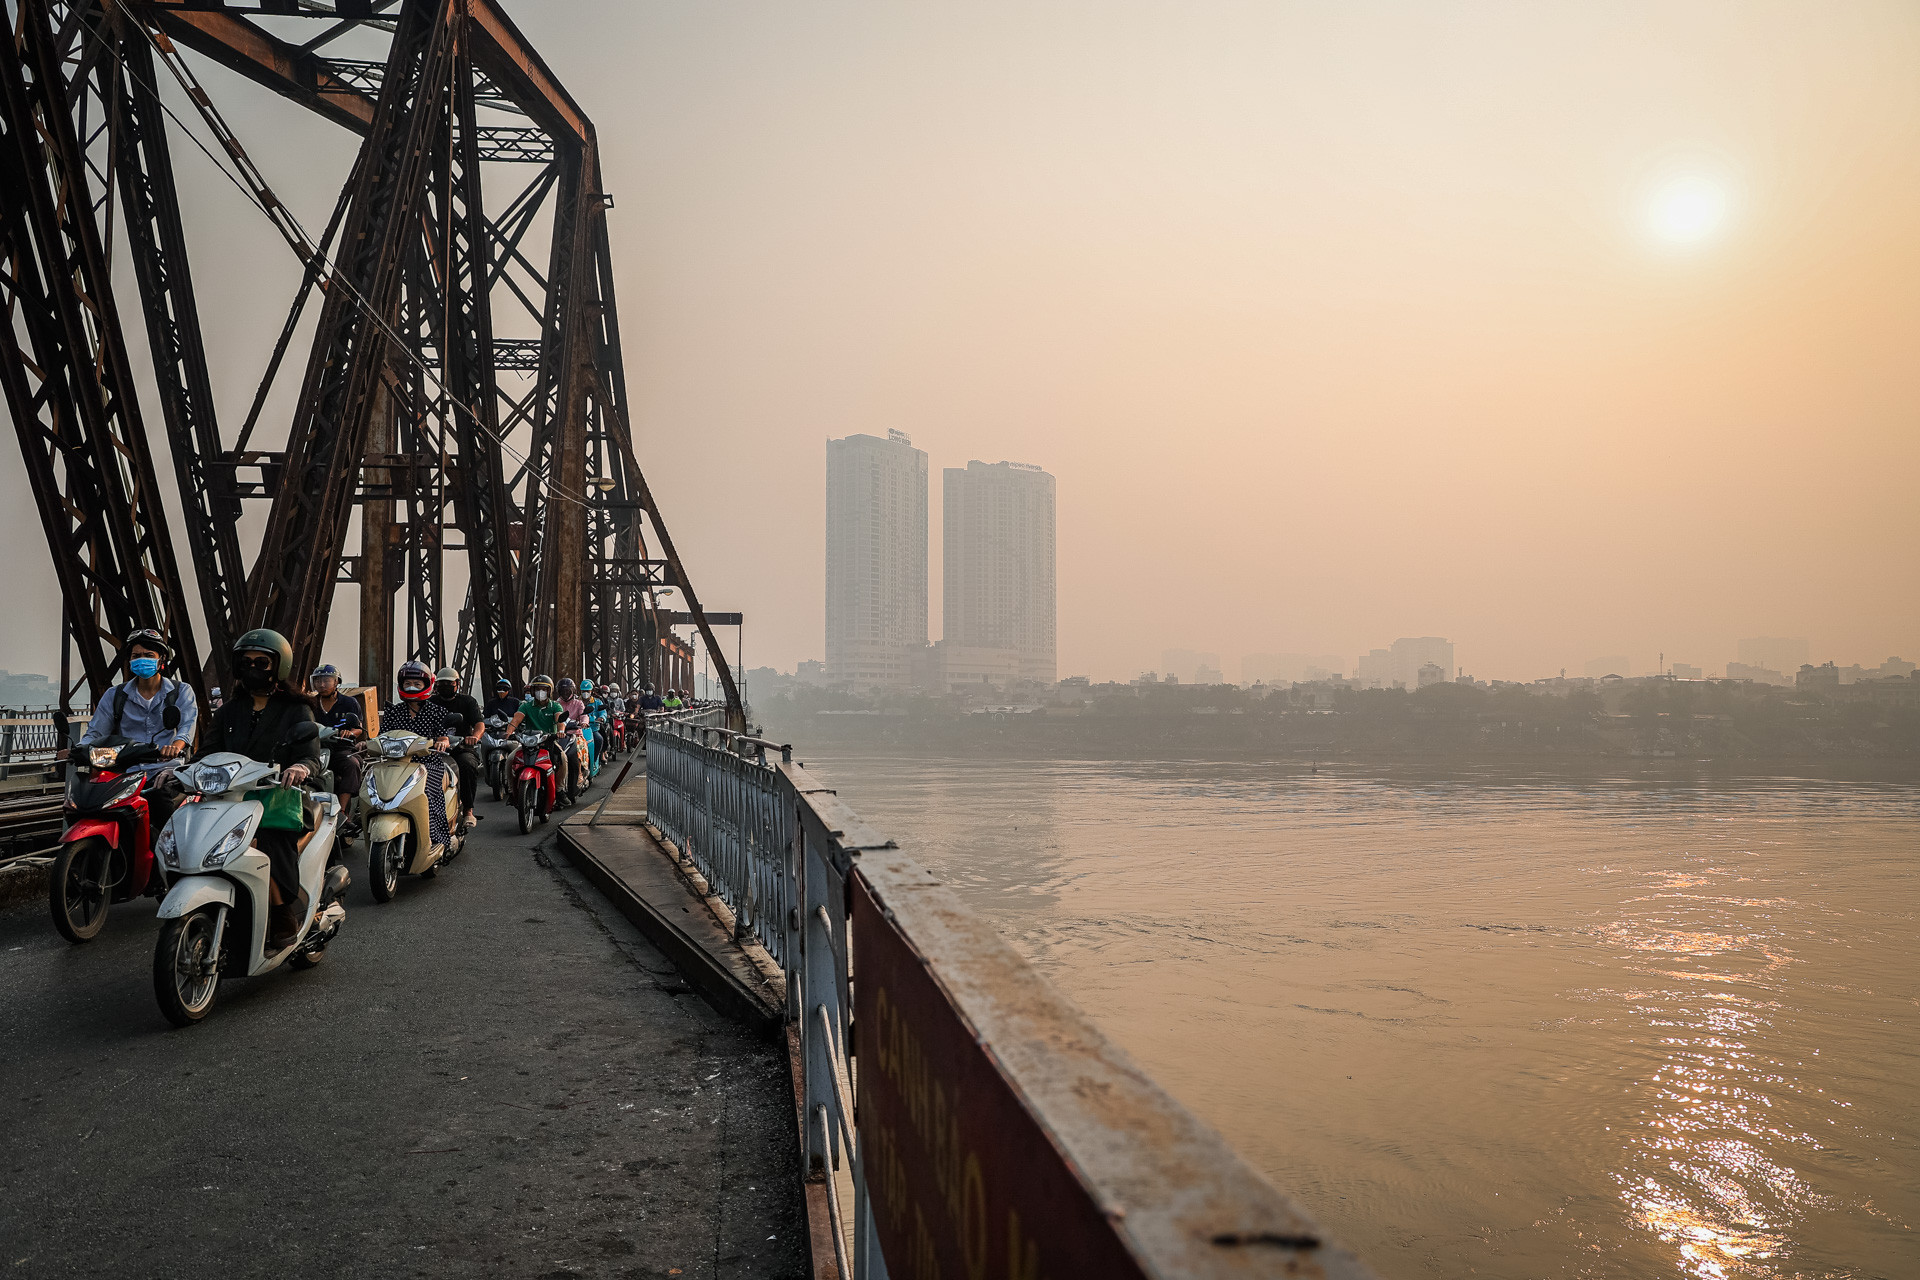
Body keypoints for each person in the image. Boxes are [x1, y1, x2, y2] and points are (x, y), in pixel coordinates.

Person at [201, 629, 321, 951]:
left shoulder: (297, 710)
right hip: (231, 798)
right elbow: (206, 753)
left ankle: (283, 912)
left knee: (263, 843)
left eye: (262, 662)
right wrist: (179, 772)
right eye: (247, 661)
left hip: (279, 796)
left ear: (278, 667)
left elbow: (310, 755)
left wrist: (300, 768)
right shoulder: (228, 711)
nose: (253, 667)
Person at [77, 626, 199, 837]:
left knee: (163, 810)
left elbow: (186, 729)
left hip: (163, 771)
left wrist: (175, 747)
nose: (142, 660)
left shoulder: (181, 692)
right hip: (125, 771)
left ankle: (171, 858)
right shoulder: (115, 695)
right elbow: (95, 732)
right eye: (136, 656)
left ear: (161, 660)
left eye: (148, 655)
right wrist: (78, 749)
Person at [377, 660, 461, 843]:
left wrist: (443, 741)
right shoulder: (394, 711)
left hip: (427, 763)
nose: (412, 687)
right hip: (397, 763)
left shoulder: (436, 711)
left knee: (428, 792)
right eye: (407, 683)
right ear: (401, 685)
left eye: (417, 684)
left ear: (426, 685)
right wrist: (367, 744)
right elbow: (381, 736)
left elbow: (442, 735)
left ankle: (435, 837)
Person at [309, 663, 365, 834]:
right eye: (318, 681)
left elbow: (359, 728)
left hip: (340, 748)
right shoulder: (310, 703)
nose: (322, 685)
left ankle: (342, 813)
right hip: (315, 748)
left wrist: (349, 732)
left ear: (336, 683)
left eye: (327, 680)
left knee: (352, 764)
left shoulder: (349, 703)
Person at [504, 673, 578, 799]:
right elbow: (516, 720)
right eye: (537, 689)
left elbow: (560, 720)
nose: (540, 692)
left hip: (548, 742)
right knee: (510, 760)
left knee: (563, 759)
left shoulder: (555, 706)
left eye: (544, 689)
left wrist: (560, 731)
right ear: (533, 691)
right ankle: (511, 791)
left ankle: (559, 790)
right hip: (528, 743)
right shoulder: (526, 706)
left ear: (549, 691)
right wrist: (508, 732)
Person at [430, 667, 484, 827]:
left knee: (467, 765)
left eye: (449, 683)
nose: (445, 686)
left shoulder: (467, 702)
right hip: (434, 749)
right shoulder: (430, 703)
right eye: (441, 684)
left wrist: (474, 737)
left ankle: (468, 810)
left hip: (461, 747)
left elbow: (479, 724)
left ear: (457, 684)